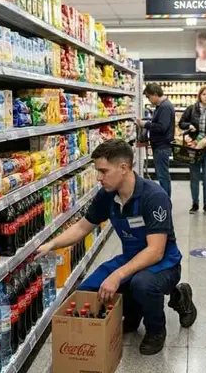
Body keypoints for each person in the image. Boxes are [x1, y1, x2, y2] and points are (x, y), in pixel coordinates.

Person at [35, 139, 197, 355]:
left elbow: (156, 251)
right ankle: (136, 308)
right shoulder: (107, 195)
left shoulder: (154, 196)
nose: (99, 178)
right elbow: (83, 227)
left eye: (103, 171)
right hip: (131, 259)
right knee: (87, 291)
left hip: (163, 263)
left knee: (142, 284)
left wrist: (117, 276)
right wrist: (52, 244)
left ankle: (157, 328)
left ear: (123, 168)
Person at [178, 85, 206, 215]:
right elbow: (181, 123)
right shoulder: (192, 109)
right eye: (204, 94)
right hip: (194, 147)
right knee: (194, 176)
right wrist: (189, 125)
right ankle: (195, 203)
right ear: (200, 96)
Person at [137, 84, 175, 197]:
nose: (149, 100)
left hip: (162, 147)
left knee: (163, 176)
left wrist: (145, 124)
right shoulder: (162, 106)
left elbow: (161, 127)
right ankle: (165, 199)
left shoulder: (165, 107)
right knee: (162, 175)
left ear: (154, 94)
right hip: (160, 146)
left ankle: (165, 201)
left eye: (149, 97)